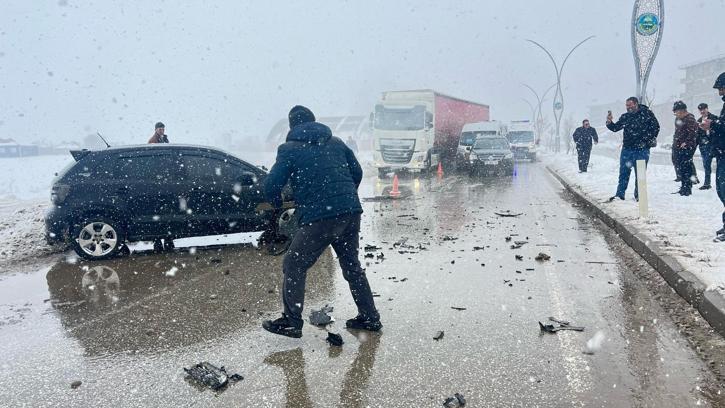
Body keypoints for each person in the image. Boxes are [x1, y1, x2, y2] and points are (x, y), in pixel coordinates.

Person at [262, 105, 381, 338]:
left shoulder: (289, 149)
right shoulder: (336, 142)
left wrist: (277, 201)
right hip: (349, 213)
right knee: (351, 266)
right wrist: (344, 197)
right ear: (313, 121)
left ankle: (291, 321)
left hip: (320, 217)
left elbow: (272, 185)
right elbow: (356, 172)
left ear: (292, 125)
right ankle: (369, 317)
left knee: (294, 264)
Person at [606, 97, 660, 201]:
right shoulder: (625, 117)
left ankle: (639, 196)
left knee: (640, 174)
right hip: (627, 149)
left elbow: (656, 127)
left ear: (636, 104)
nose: (628, 107)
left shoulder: (647, 114)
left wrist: (646, 139)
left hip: (642, 150)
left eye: (630, 105)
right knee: (623, 173)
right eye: (627, 105)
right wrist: (609, 121)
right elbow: (615, 128)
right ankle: (619, 195)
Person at [700, 72, 725, 241]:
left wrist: (713, 124)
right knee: (722, 190)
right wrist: (711, 126)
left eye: (722, 88)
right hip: (722, 154)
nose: (720, 93)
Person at [671, 101, 699, 196]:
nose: (675, 114)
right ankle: (684, 187)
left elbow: (693, 133)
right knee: (682, 167)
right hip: (679, 146)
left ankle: (687, 188)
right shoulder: (679, 118)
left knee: (686, 167)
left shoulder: (690, 119)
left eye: (676, 112)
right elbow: (678, 132)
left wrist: (686, 142)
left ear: (682, 111)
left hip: (687, 147)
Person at [697, 103, 718, 190]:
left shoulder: (714, 118)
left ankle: (720, 184)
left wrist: (710, 129)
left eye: (704, 109)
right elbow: (698, 135)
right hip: (704, 146)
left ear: (707, 109)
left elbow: (718, 131)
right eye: (700, 110)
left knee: (720, 165)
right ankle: (707, 183)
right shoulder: (698, 121)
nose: (702, 111)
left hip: (715, 145)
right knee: (706, 165)